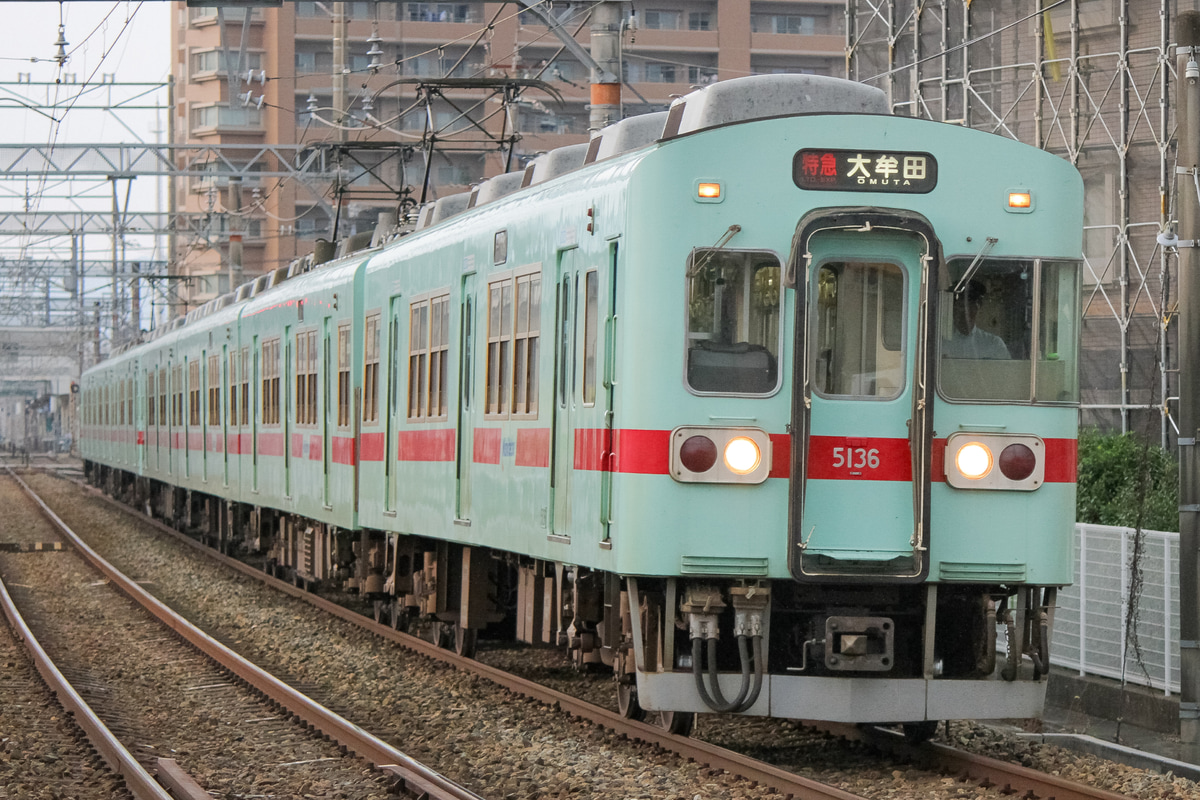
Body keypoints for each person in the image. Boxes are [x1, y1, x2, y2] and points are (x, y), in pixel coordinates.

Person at [942, 279, 1009, 359]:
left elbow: (1006, 370)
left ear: (978, 307)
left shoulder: (994, 345)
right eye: (961, 305)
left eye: (970, 305)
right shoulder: (941, 344)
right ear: (953, 307)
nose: (965, 311)